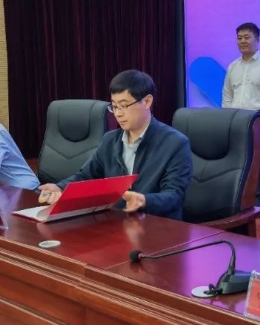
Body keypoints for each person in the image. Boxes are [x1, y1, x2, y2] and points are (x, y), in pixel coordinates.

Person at [37, 70, 192, 220]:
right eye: (115, 106)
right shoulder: (110, 140)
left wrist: (144, 200)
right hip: (116, 221)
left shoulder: (175, 143)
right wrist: (61, 187)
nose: (118, 113)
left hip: (157, 226)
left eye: (124, 106)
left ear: (147, 101)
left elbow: (174, 195)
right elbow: (86, 176)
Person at [222, 22, 260, 212]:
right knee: (238, 160)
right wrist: (226, 119)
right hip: (236, 118)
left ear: (257, 40)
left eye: (247, 37)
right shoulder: (233, 66)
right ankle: (240, 199)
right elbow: (227, 95)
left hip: (259, 117)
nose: (243, 41)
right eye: (239, 38)